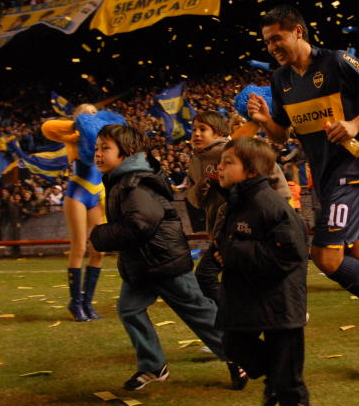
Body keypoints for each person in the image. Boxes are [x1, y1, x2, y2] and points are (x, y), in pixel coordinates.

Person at [247, 4, 359, 369]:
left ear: (298, 31)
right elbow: (283, 135)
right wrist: (267, 121)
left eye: (277, 38)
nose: (272, 47)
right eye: (267, 42)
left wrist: (355, 122)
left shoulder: (337, 61)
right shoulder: (280, 80)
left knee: (327, 257)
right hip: (325, 179)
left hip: (354, 170)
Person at [89, 124, 244, 391]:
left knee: (199, 313)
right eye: (97, 148)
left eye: (105, 148)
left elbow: (141, 223)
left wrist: (100, 235)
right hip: (142, 265)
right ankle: (153, 366)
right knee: (129, 309)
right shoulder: (121, 180)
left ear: (126, 152)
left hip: (164, 261)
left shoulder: (134, 183)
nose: (98, 154)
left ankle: (237, 357)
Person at [213, 137, 314, 406]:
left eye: (228, 162)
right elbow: (229, 241)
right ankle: (276, 378)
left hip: (279, 298)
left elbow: (290, 253)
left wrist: (232, 252)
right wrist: (220, 256)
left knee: (285, 355)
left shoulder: (270, 204)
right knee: (234, 343)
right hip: (248, 294)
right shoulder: (236, 201)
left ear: (252, 170)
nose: (220, 167)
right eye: (221, 161)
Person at [188, 110, 291, 303]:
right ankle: (271, 308)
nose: (196, 134)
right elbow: (195, 201)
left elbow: (273, 173)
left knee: (206, 275)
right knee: (237, 278)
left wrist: (281, 208)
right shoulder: (194, 162)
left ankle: (247, 312)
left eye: (203, 129)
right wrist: (202, 185)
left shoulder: (238, 150)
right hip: (220, 231)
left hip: (247, 228)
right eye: (194, 129)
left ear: (218, 132)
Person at [42, 104, 123, 321]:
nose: (91, 115)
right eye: (86, 112)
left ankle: (87, 302)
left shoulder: (103, 142)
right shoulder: (74, 137)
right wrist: (79, 122)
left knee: (98, 250)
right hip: (77, 194)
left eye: (94, 112)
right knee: (78, 247)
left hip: (96, 196)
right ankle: (75, 303)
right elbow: (48, 128)